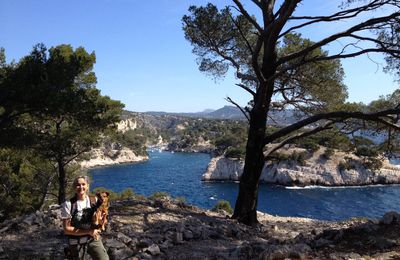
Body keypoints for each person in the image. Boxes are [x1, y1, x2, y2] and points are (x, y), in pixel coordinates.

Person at [61, 175, 109, 260]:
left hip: (92, 238)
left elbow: (100, 217)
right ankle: (70, 252)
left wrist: (101, 222)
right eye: (78, 185)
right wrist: (89, 231)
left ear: (87, 186)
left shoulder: (94, 200)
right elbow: (67, 229)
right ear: (74, 187)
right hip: (76, 241)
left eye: (83, 184)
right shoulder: (68, 204)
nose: (81, 187)